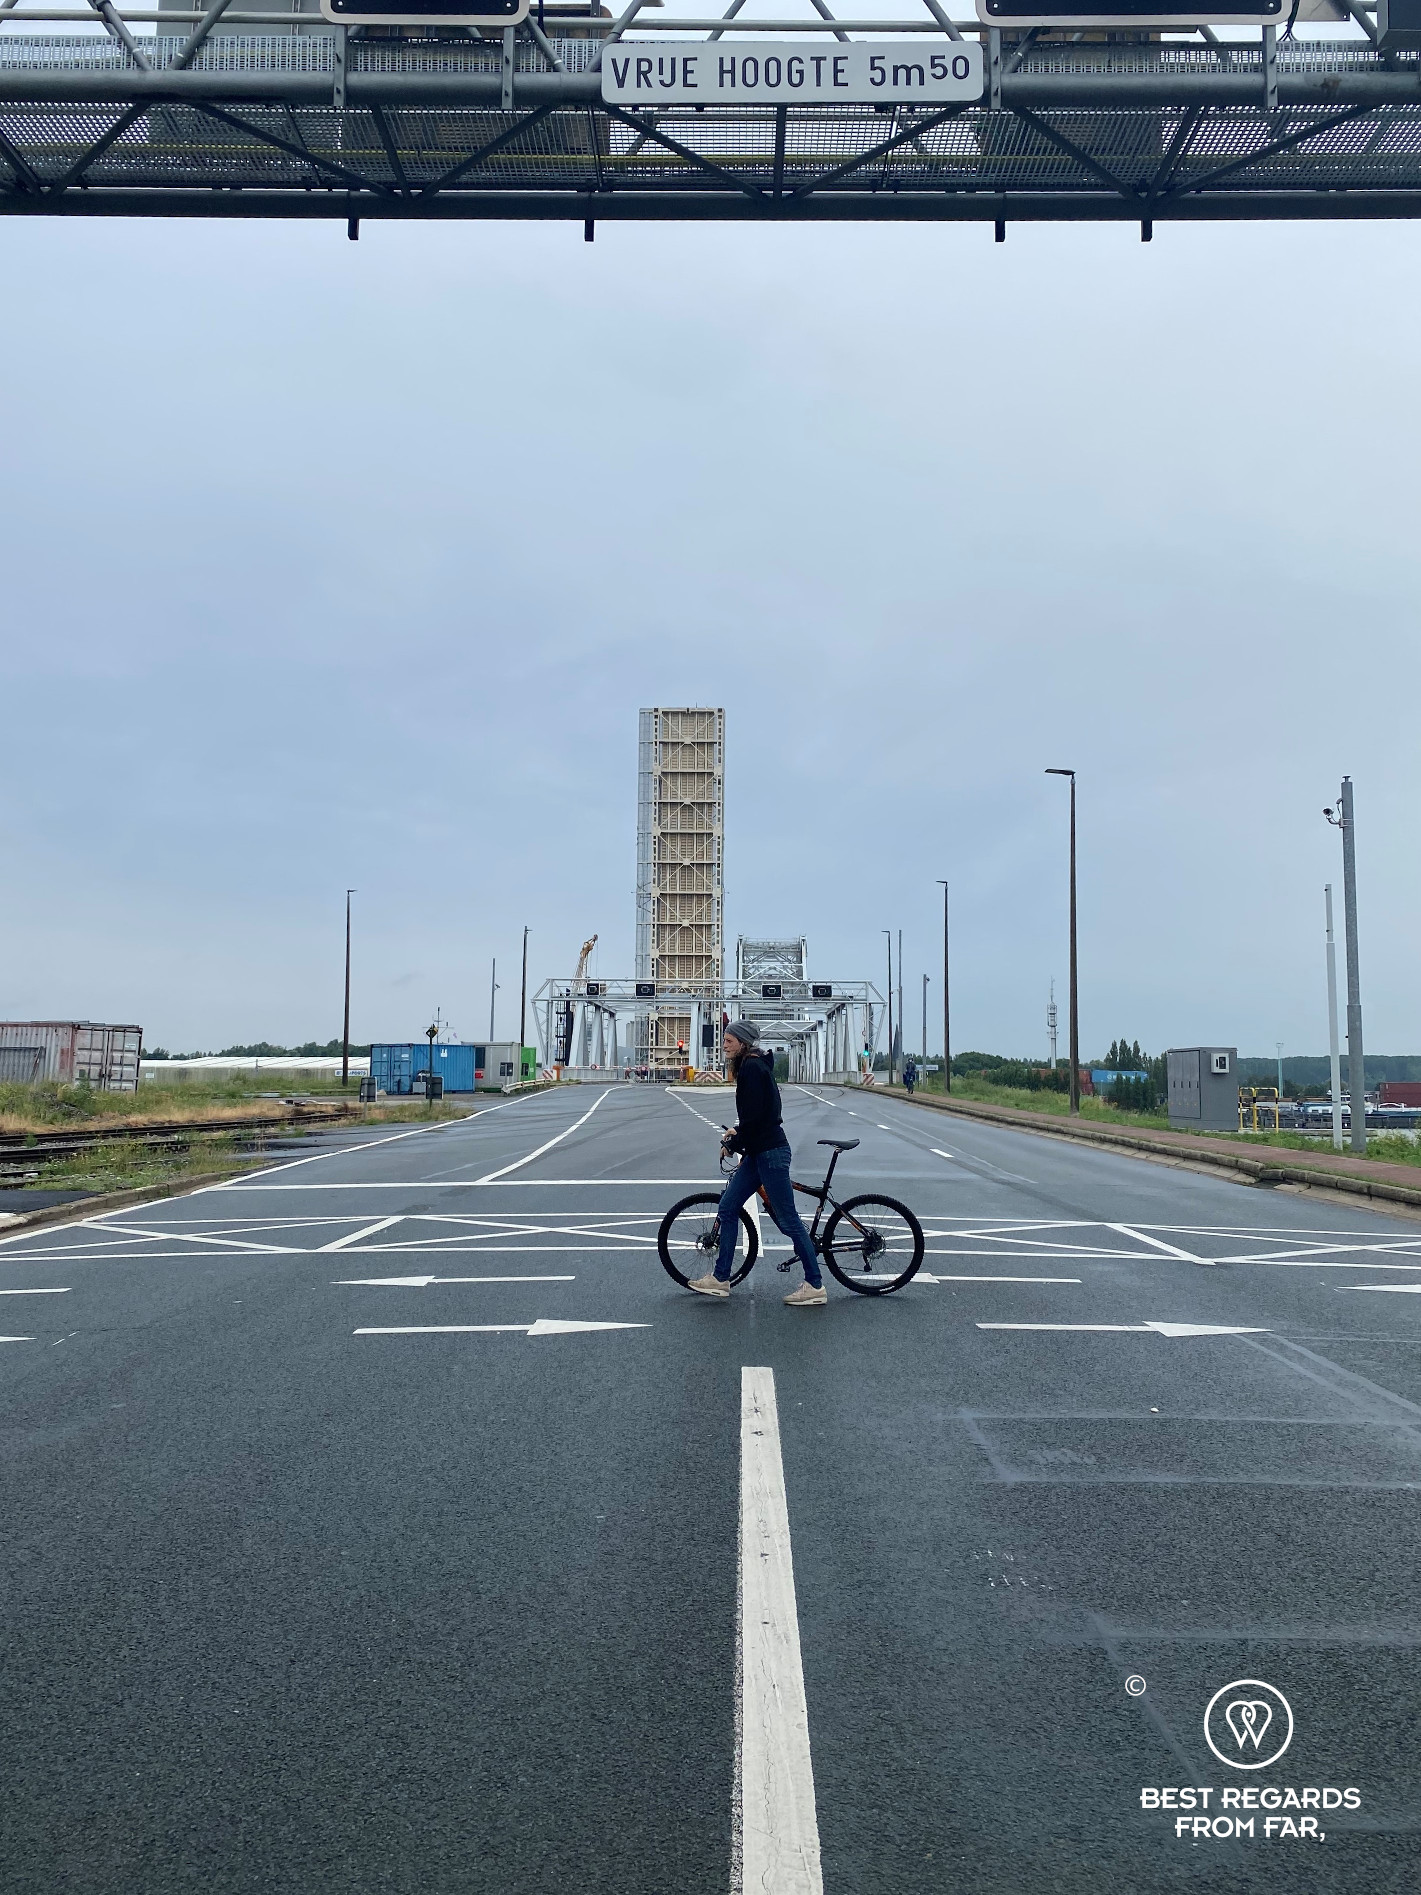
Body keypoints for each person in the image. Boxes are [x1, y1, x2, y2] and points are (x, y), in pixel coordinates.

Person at [688, 1019, 826, 1308]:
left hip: (770, 1153)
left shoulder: (751, 1067)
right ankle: (721, 1278)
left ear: (743, 1043)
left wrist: (732, 1144)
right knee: (727, 1206)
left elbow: (755, 1118)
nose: (724, 1044)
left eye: (729, 1040)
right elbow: (761, 1114)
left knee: (788, 1221)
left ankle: (814, 1285)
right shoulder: (756, 1065)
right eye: (724, 1039)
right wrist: (739, 1135)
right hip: (759, 1151)